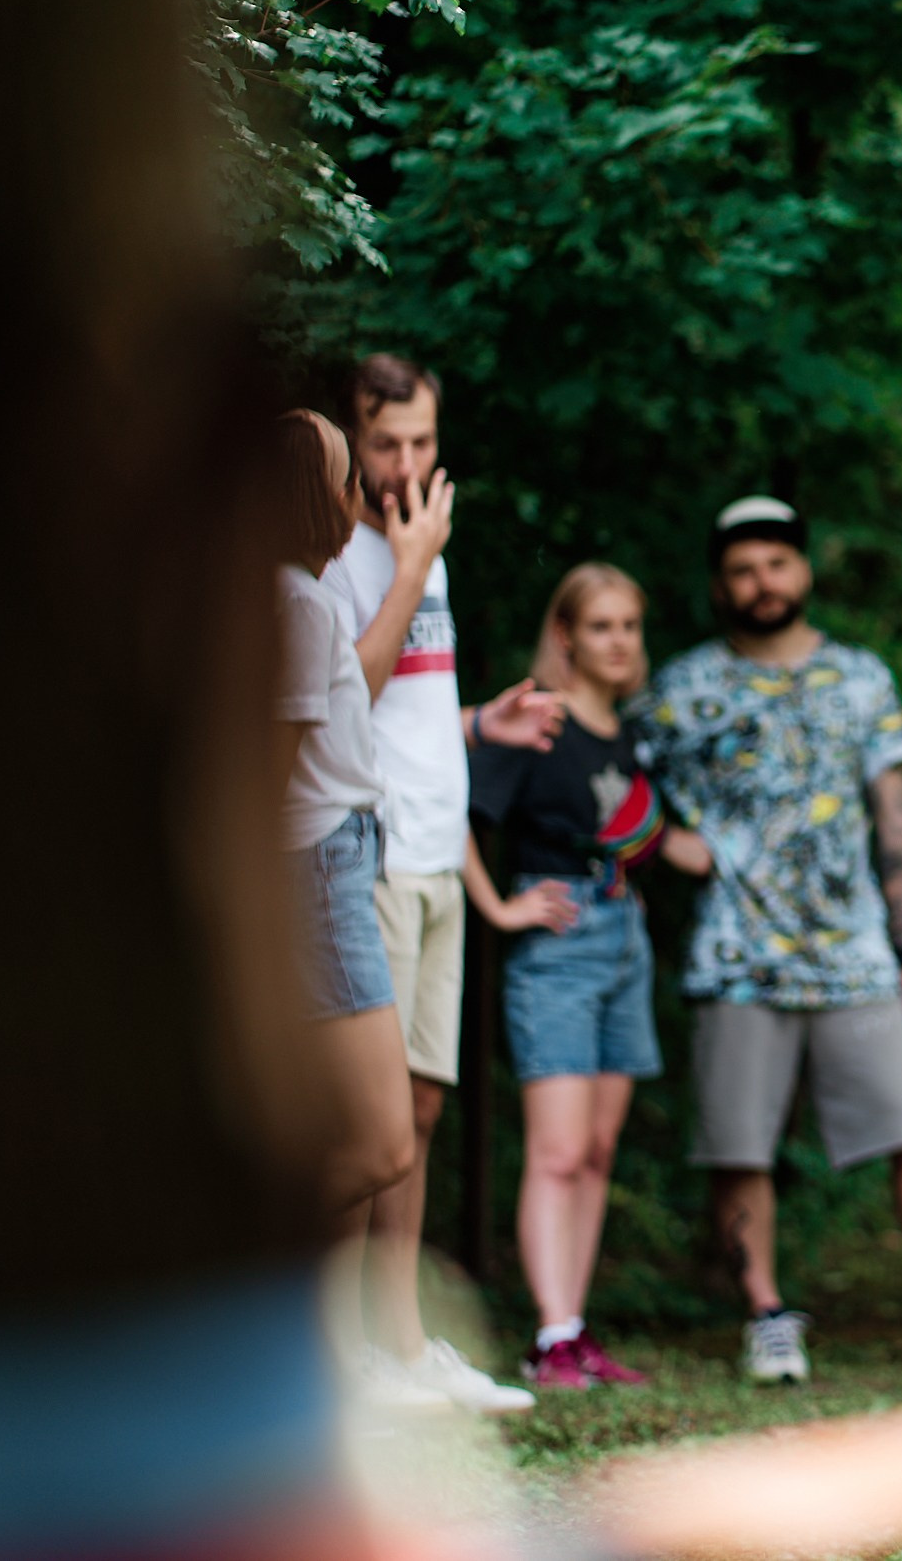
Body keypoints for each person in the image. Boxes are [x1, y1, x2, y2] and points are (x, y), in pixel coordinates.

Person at [631, 498, 902, 1384]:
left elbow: (894, 811)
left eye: (775, 564)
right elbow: (608, 772)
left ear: (803, 571)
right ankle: (767, 1315)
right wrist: (663, 844)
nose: (760, 583)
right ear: (719, 585)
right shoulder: (684, 686)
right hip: (737, 953)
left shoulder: (860, 677)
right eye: (741, 569)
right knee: (741, 1143)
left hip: (855, 948)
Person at [319, 354, 557, 1415]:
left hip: (435, 848)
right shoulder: (331, 556)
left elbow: (405, 706)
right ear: (348, 439)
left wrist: (479, 724)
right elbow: (330, 704)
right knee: (359, 1118)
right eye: (385, 444)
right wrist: (409, 567)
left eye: (422, 441)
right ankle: (328, 1355)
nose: (407, 464)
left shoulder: (425, 548)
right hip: (360, 852)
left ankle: (403, 1346)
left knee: (417, 1105)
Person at [469, 565, 712, 1390]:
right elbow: (458, 813)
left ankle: (573, 1329)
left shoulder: (629, 735)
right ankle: (550, 1338)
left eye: (630, 626)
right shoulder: (538, 721)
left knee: (600, 1149)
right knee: (559, 1149)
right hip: (558, 944)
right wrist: (500, 910)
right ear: (566, 635)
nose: (620, 641)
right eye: (601, 626)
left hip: (624, 938)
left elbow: (642, 834)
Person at [270, 408, 428, 1408]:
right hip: (316, 866)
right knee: (378, 1139)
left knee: (359, 1131)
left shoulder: (303, 595)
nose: (354, 494)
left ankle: (313, 1363)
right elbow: (267, 772)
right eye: (340, 475)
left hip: (339, 854)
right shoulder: (294, 602)